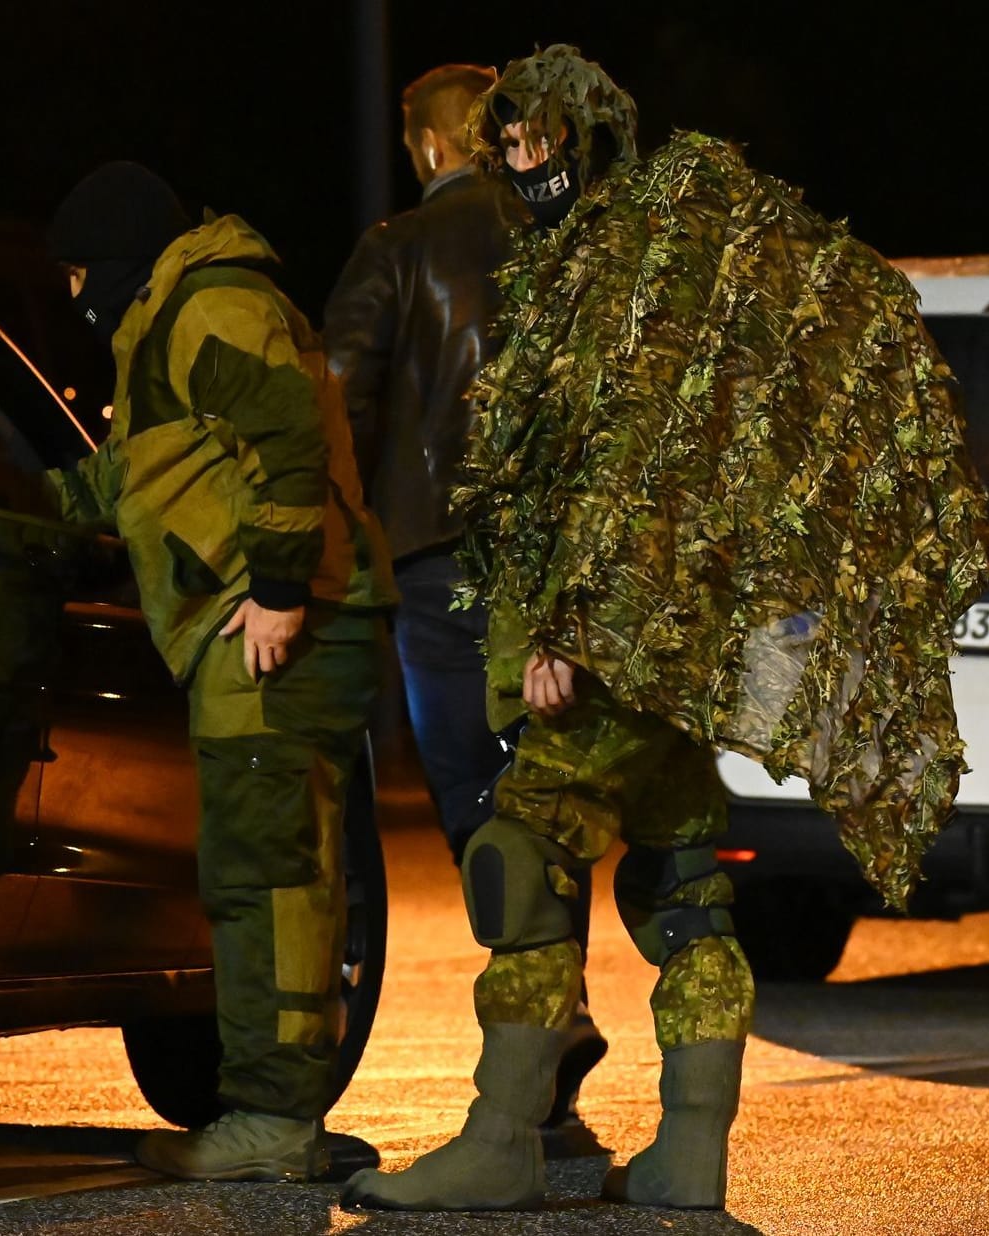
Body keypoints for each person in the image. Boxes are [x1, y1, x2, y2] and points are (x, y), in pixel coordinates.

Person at [343, 46, 989, 1213]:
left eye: (541, 142)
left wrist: (560, 627)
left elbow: (611, 470)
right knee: (683, 880)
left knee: (523, 861)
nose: (523, 161)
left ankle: (502, 1143)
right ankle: (691, 1151)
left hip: (600, 642)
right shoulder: (667, 260)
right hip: (674, 650)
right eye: (510, 143)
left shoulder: (607, 276)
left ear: (583, 140)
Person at [45, 161, 396, 1182]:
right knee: (283, 876)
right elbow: (157, 466)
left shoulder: (209, 308)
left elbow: (288, 445)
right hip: (275, 622)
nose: (75, 298)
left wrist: (281, 591)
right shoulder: (187, 313)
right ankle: (282, 1115)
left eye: (77, 275)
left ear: (115, 258)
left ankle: (272, 1123)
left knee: (267, 880)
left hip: (273, 630)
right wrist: (34, 497)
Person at [322, 62, 608, 1153]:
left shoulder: (397, 249)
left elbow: (336, 399)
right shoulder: (568, 241)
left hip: (441, 563)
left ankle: (541, 1048)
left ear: (434, 148)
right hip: (554, 567)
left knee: (478, 800)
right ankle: (554, 1080)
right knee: (547, 800)